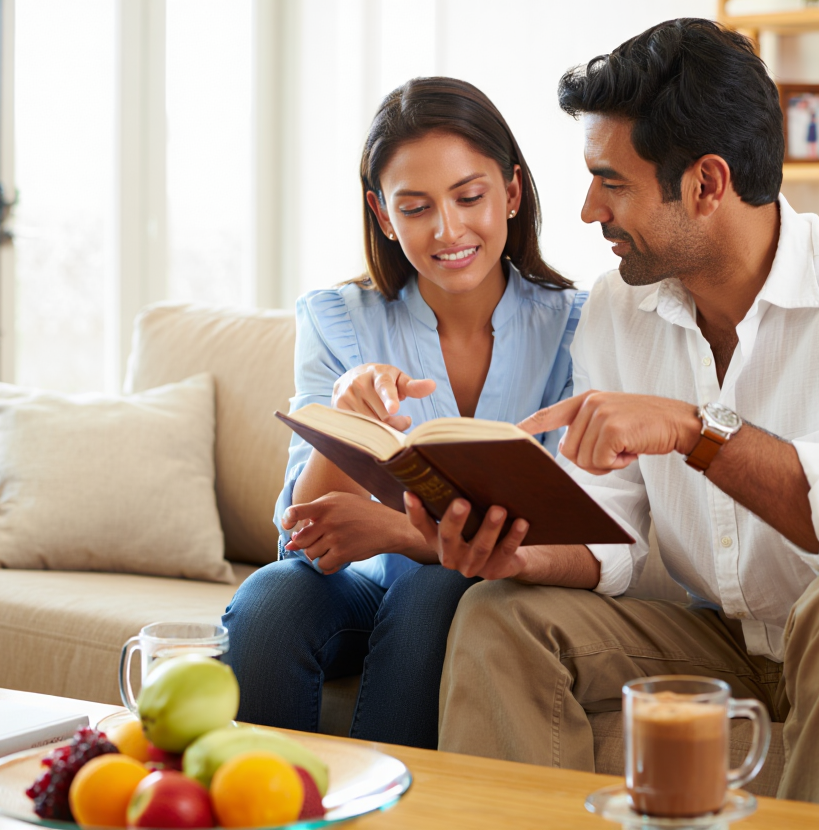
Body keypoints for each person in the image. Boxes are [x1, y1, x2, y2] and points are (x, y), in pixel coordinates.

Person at [407, 19, 819, 814]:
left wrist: (696, 430)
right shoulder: (620, 307)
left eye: (611, 183)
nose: (584, 211)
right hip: (732, 641)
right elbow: (608, 521)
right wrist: (519, 552)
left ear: (707, 184)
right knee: (501, 615)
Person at [222, 77, 586, 750]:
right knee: (272, 601)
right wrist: (348, 424)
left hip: (496, 592)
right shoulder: (338, 320)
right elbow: (301, 537)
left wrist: (395, 531)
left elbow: (563, 531)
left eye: (470, 197)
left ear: (511, 191)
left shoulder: (578, 327)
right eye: (415, 208)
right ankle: (258, 807)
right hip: (357, 591)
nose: (448, 231)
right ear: (383, 215)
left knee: (434, 590)